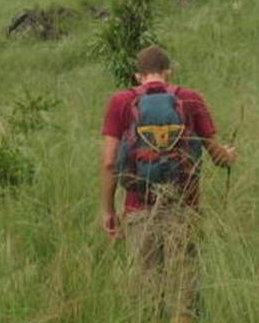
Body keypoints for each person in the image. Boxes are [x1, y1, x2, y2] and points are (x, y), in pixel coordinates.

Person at [100, 46, 237, 322]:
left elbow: (108, 163)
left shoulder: (119, 102)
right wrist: (230, 155)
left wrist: (107, 210)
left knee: (146, 296)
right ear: (168, 72)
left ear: (138, 75)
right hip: (183, 210)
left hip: (139, 212)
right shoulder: (190, 99)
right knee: (184, 296)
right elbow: (218, 158)